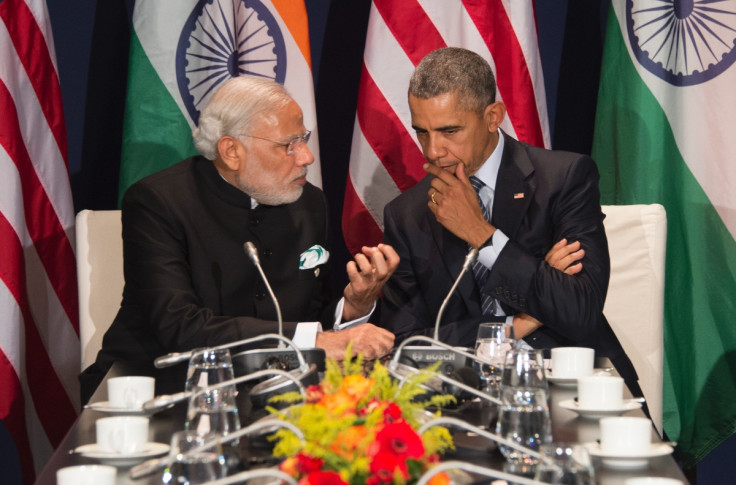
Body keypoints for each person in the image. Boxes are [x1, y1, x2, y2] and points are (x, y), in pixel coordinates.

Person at [80, 76, 397, 401]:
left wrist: (353, 307)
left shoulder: (308, 203)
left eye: (304, 139)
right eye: (288, 144)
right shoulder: (158, 202)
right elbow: (178, 326)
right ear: (231, 151)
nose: (306, 157)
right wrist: (316, 341)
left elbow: (310, 312)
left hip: (272, 392)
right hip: (152, 390)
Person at [381, 47, 641, 394]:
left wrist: (481, 234)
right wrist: (520, 322)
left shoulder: (563, 179)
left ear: (493, 116)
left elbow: (580, 311)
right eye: (422, 132)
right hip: (462, 395)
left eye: (449, 131)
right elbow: (406, 345)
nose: (432, 151)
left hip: (575, 384)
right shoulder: (407, 214)